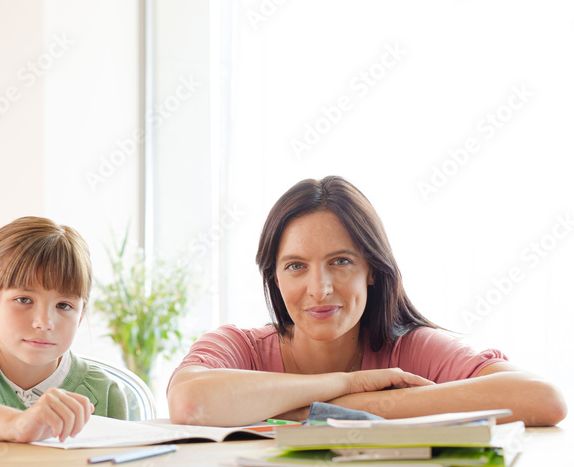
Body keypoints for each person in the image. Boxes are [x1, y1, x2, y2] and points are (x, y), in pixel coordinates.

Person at [168, 176, 566, 427]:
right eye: (295, 266)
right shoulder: (240, 347)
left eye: (340, 262)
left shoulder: (412, 348)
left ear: (371, 270)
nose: (320, 288)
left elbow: (543, 400)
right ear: (274, 276)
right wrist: (346, 384)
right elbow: (188, 403)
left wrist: (337, 409)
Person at [0, 216, 128, 442]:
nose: (44, 322)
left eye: (64, 305)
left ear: (81, 315)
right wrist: (17, 424)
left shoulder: (105, 393)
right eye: (24, 300)